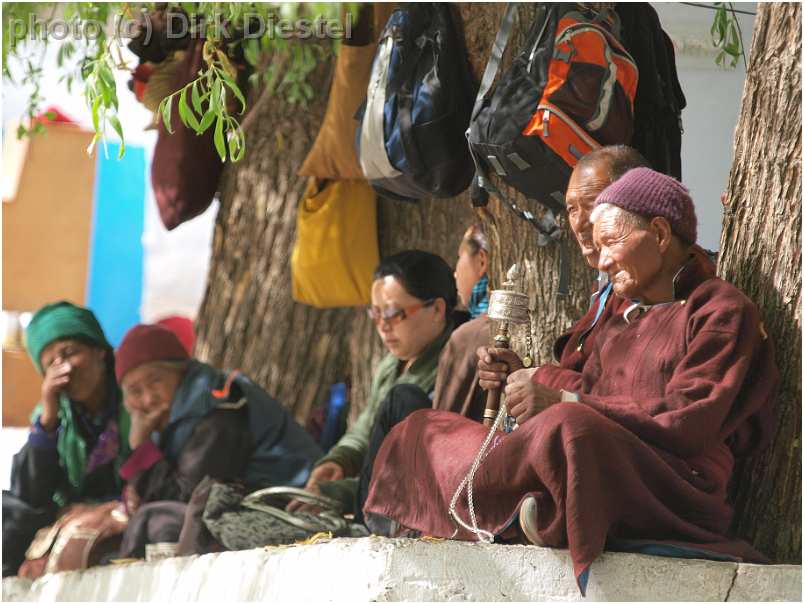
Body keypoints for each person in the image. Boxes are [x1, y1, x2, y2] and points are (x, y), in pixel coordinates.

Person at [363, 167, 778, 593]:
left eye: (612, 243)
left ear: (658, 233)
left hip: (672, 479)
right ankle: (521, 512)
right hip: (581, 447)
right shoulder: (617, 311)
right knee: (424, 428)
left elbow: (691, 420)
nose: (603, 260)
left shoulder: (718, 310)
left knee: (570, 428)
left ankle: (539, 512)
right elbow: (583, 385)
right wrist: (523, 375)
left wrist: (564, 399)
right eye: (597, 248)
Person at [114, 323, 323, 556]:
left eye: (156, 381)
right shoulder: (167, 418)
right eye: (135, 391)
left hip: (292, 507)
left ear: (181, 372)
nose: (148, 398)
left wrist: (142, 450)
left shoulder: (221, 405)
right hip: (247, 505)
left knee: (157, 524)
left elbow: (190, 495)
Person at [289, 250, 461, 517]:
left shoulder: (455, 365)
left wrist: (338, 494)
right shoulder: (391, 365)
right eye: (376, 313)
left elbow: (415, 470)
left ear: (437, 309)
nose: (383, 326)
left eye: (393, 313)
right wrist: (340, 460)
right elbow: (365, 428)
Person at [2, 301, 131, 577]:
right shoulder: (52, 414)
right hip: (70, 510)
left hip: (129, 505)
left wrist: (109, 506)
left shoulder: (133, 394)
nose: (64, 368)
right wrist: (48, 419)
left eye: (70, 352)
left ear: (99, 351)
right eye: (51, 363)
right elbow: (29, 496)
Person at [431, 223, 493, 420]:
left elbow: (444, 426)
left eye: (460, 257)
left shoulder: (468, 336)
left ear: (482, 261)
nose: (455, 273)